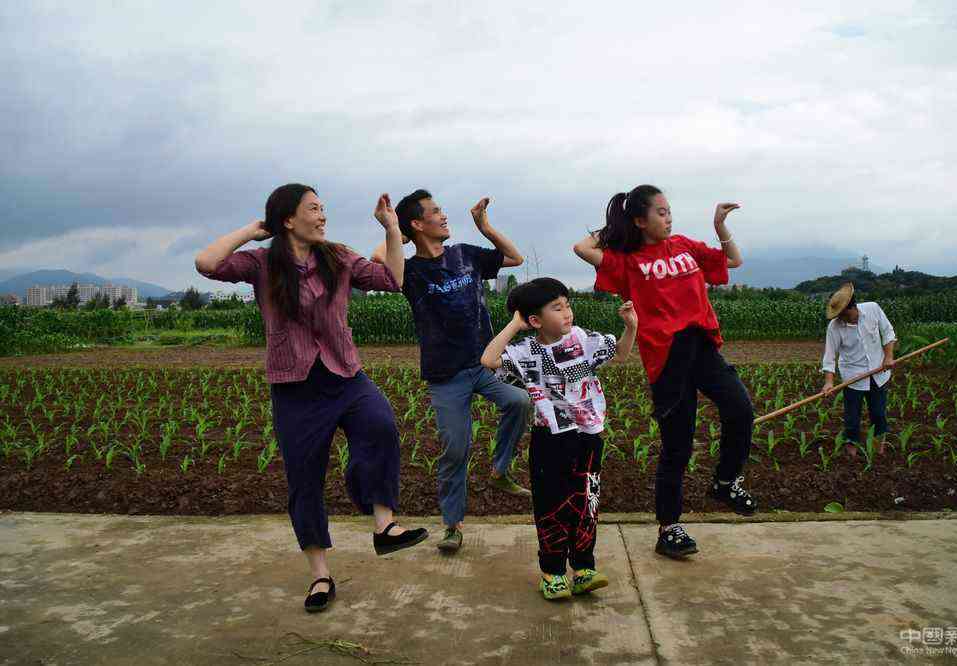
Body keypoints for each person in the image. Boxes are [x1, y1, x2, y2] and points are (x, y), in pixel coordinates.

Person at [195, 184, 427, 613]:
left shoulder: (337, 256)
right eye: (314, 209)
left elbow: (392, 280)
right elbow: (207, 263)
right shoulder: (262, 263)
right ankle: (320, 574)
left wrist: (393, 228)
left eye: (324, 209)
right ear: (288, 219)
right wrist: (251, 230)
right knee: (304, 481)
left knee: (379, 425)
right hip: (294, 386)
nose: (323, 216)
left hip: (345, 373)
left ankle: (383, 524)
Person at [572, 185, 757, 560]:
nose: (668, 217)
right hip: (666, 359)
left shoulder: (687, 246)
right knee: (678, 446)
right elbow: (582, 248)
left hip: (702, 346)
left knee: (741, 410)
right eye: (659, 212)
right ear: (640, 220)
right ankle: (669, 527)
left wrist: (720, 226)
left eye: (669, 210)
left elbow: (733, 262)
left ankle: (725, 481)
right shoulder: (628, 262)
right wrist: (615, 224)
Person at [371, 191, 531, 553]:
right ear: (417, 223)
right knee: (455, 448)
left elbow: (515, 258)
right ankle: (452, 526)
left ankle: (500, 471)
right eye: (436, 212)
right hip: (446, 375)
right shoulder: (409, 272)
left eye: (442, 210)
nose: (444, 216)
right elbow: (378, 258)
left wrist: (484, 226)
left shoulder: (465, 254)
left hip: (484, 363)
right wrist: (393, 228)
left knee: (519, 401)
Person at [481, 278, 637, 600]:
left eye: (567, 304)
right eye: (557, 307)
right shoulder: (525, 352)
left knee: (586, 500)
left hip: (589, 434)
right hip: (550, 437)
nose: (567, 312)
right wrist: (515, 323)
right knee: (551, 503)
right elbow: (489, 360)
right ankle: (552, 572)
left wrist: (630, 327)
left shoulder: (582, 338)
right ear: (535, 320)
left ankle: (583, 568)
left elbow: (620, 354)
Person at [821, 283, 897, 457]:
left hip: (879, 373)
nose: (840, 318)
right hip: (852, 377)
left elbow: (888, 332)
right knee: (852, 418)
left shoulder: (873, 309)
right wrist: (829, 382)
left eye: (843, 314)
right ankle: (851, 453)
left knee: (878, 414)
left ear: (852, 307)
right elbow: (830, 355)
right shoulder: (834, 327)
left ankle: (879, 451)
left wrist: (888, 357)